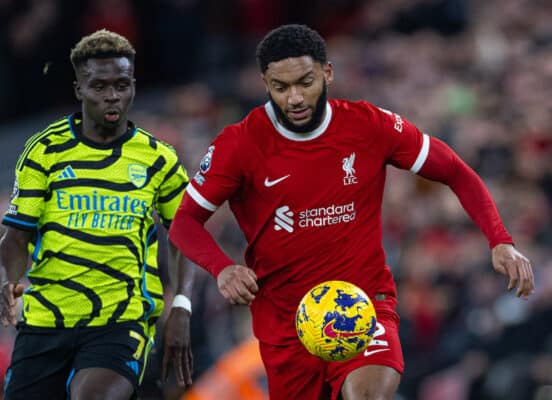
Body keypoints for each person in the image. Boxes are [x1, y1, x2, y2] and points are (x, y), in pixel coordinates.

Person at [168, 24, 535, 400]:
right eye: (281, 87)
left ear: (328, 73)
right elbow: (184, 223)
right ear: (265, 83)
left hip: (362, 304)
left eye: (305, 82)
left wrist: (500, 240)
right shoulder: (239, 145)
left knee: (367, 395)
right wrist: (222, 268)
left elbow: (455, 170)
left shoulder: (368, 125)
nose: (294, 97)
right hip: (287, 324)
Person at [0, 29, 194, 400]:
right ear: (79, 90)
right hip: (47, 318)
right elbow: (15, 237)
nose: (112, 95)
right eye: (99, 86)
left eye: (122, 84)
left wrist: (181, 303)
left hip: (120, 320)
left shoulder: (158, 158)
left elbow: (187, 233)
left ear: (133, 85)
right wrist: (9, 280)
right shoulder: (45, 151)